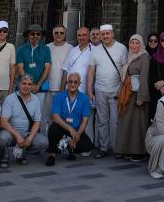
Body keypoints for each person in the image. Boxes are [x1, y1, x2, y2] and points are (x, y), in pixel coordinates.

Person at [90, 24, 127, 158]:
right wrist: (90, 90)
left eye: (107, 33)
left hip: (116, 90)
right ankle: (104, 148)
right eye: (103, 34)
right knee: (102, 120)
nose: (105, 36)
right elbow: (91, 71)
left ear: (112, 34)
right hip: (100, 89)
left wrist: (122, 88)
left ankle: (117, 148)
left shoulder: (122, 48)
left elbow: (124, 70)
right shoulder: (96, 50)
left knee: (115, 120)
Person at [0, 74, 47, 167]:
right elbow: (3, 121)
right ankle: (4, 156)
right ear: (19, 84)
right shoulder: (10, 98)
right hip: (10, 133)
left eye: (29, 84)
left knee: (43, 142)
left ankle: (22, 152)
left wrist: (30, 138)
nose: (26, 86)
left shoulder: (35, 99)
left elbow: (37, 122)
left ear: (32, 86)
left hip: (26, 132)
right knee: (2, 138)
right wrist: (17, 136)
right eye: (24, 83)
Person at [115, 34, 151, 158]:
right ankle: (124, 149)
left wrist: (142, 97)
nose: (134, 45)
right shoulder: (129, 56)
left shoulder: (144, 57)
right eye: (132, 43)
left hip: (137, 95)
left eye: (137, 43)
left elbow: (144, 78)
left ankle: (138, 151)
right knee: (126, 123)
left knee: (137, 124)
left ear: (141, 45)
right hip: (128, 94)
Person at [47, 72, 95, 166]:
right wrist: (70, 129)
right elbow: (55, 117)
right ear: (67, 83)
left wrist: (77, 135)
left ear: (79, 84)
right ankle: (52, 155)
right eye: (70, 82)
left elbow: (85, 120)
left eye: (75, 82)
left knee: (88, 146)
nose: (73, 84)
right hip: (62, 128)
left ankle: (69, 147)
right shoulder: (59, 96)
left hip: (77, 130)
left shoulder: (84, 98)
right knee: (53, 129)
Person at [15, 24, 52, 110]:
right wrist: (29, 85)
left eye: (38, 34)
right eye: (32, 34)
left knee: (37, 113)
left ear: (41, 36)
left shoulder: (46, 49)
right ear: (28, 35)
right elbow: (20, 68)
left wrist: (38, 85)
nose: (35, 36)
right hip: (24, 88)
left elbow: (47, 68)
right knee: (23, 113)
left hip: (40, 88)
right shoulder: (21, 49)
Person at [45, 25, 73, 112]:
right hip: (48, 88)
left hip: (63, 89)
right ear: (53, 34)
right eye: (56, 33)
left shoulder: (71, 48)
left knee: (61, 115)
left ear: (65, 34)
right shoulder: (47, 47)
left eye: (61, 33)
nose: (59, 35)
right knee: (47, 116)